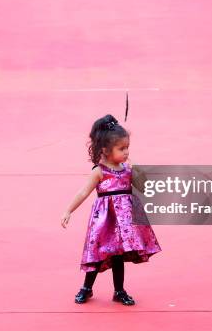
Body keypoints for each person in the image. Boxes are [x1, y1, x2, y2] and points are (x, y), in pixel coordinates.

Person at [61, 115, 161, 305]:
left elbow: (144, 187)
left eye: (127, 148)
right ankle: (86, 288)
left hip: (123, 222)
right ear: (106, 150)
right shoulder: (99, 171)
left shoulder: (127, 169)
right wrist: (68, 210)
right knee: (97, 254)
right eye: (121, 148)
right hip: (104, 221)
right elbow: (83, 192)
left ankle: (119, 290)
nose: (126, 152)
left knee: (118, 256)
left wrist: (138, 171)